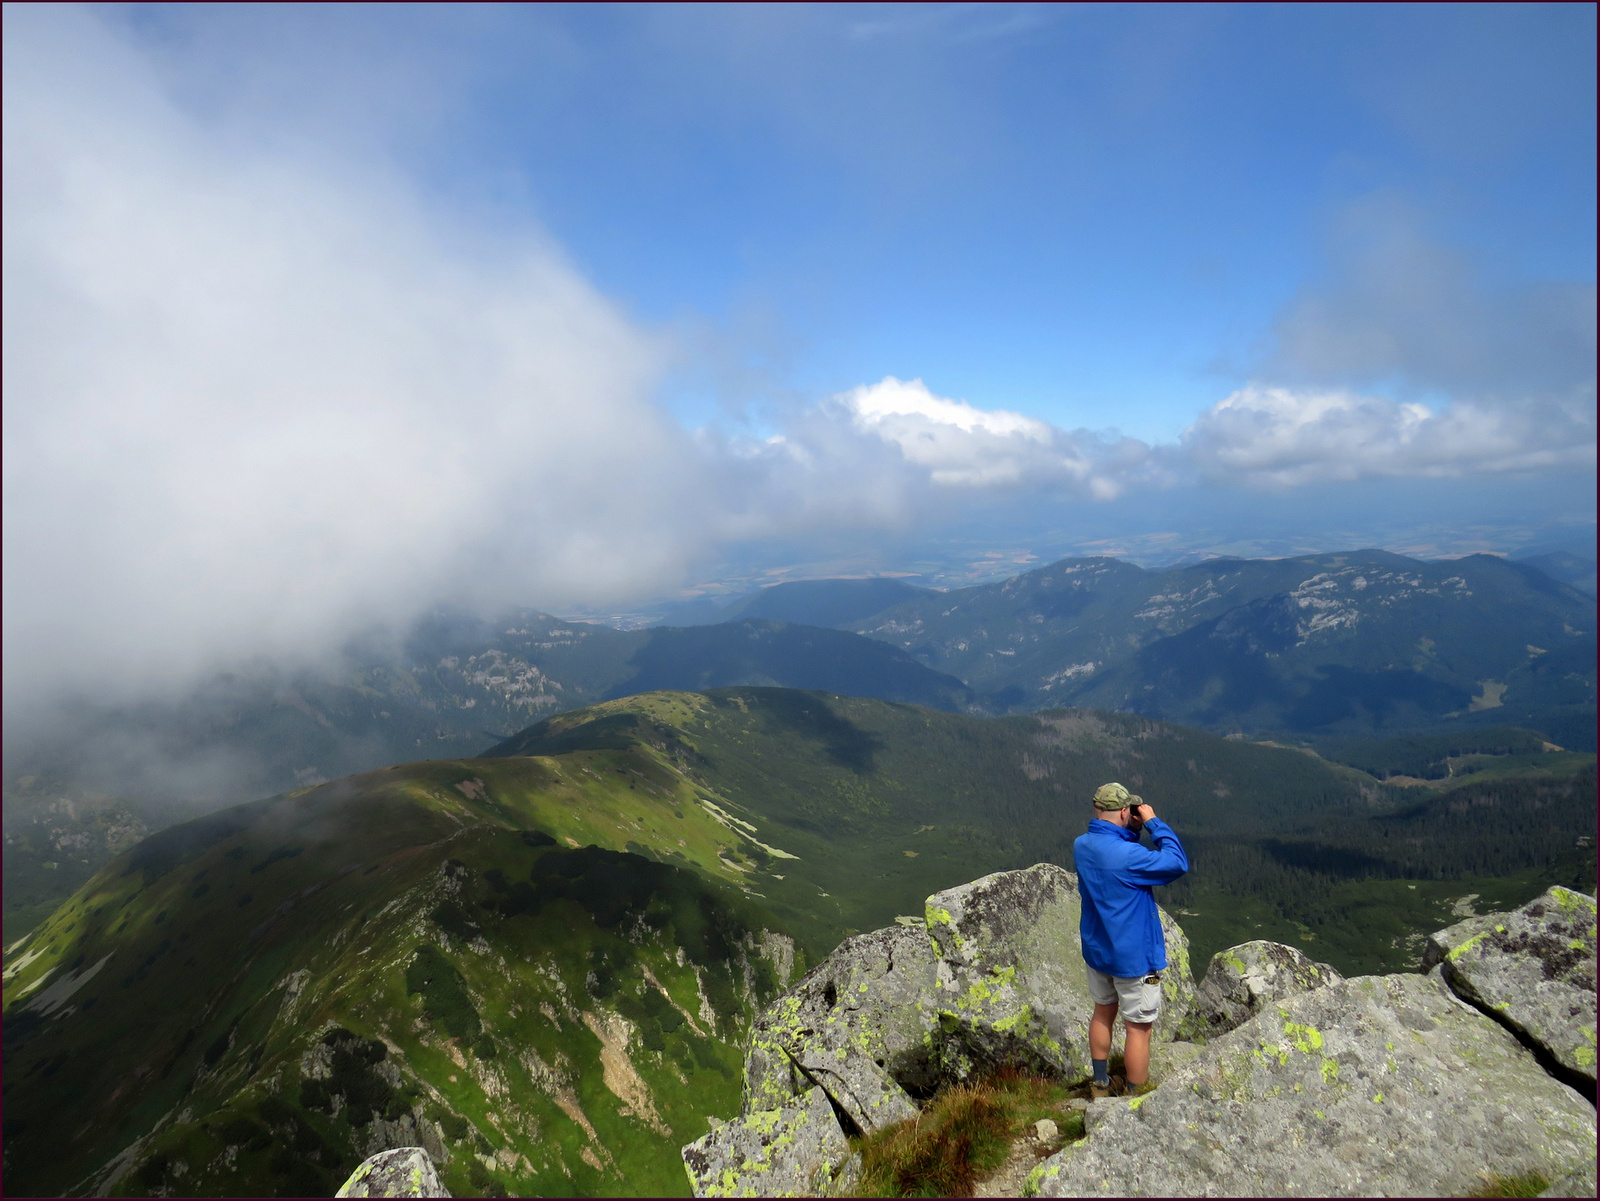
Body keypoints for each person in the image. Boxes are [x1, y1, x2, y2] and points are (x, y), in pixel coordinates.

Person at [1074, 781, 1188, 1099]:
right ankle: (1135, 1099)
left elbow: (1114, 851)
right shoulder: (1130, 855)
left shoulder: (1082, 845)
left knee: (1103, 1012)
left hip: (1099, 951)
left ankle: (1100, 1084)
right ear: (1125, 811)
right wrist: (1152, 822)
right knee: (1138, 1028)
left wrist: (1130, 829)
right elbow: (1177, 862)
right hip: (1134, 959)